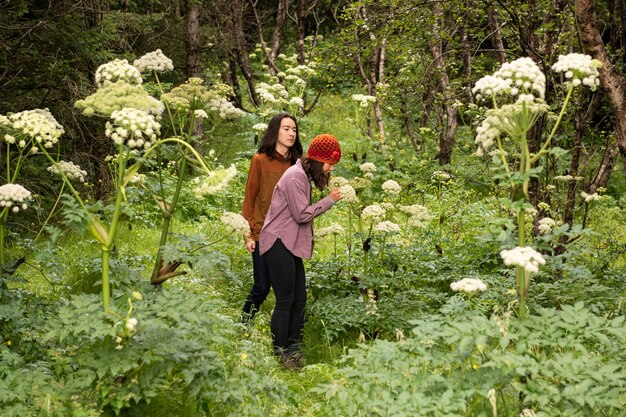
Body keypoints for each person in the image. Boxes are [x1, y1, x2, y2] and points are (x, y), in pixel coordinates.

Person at [259, 134, 343, 369]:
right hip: (277, 242)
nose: (329, 170)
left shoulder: (303, 176)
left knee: (299, 299)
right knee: (286, 300)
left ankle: (294, 348)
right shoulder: (296, 176)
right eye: (329, 164)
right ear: (317, 160)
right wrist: (329, 201)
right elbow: (301, 214)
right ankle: (281, 353)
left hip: (288, 242)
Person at [241, 113, 303, 323]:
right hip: (261, 233)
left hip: (288, 236)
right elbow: (249, 198)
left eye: (294, 129)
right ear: (275, 130)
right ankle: (244, 324)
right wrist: (247, 234)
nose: (291, 133)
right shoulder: (259, 160)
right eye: (286, 128)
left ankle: (287, 334)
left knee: (288, 291)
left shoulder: (296, 165)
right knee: (262, 285)